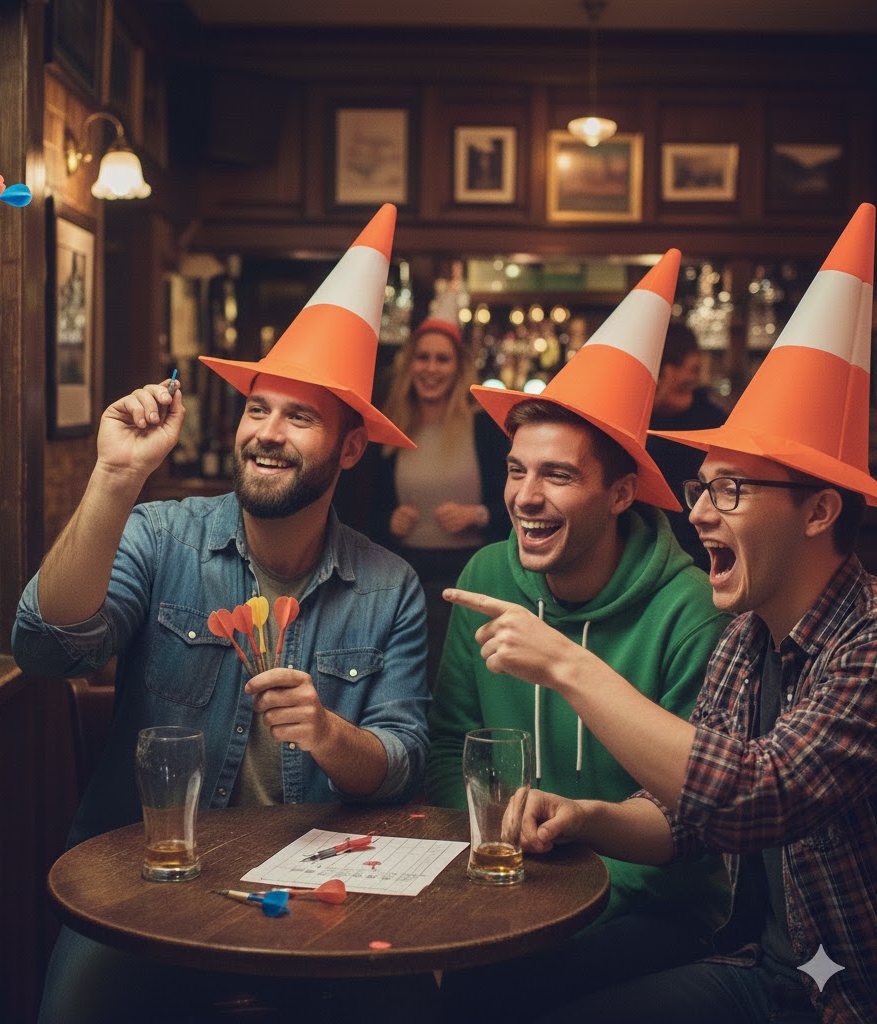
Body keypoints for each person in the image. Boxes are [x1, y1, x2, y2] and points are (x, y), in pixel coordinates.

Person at [449, 203, 877, 1023]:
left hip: (839, 999)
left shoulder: (867, 647)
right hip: (758, 964)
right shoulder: (747, 640)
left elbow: (755, 793)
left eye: (732, 490)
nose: (701, 513)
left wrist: (565, 664)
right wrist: (588, 818)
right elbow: (689, 819)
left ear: (820, 511)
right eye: (702, 488)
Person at [13, 204, 433, 1023]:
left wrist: (328, 733)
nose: (267, 434)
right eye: (257, 408)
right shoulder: (161, 536)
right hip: (148, 881)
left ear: (351, 448)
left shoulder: (390, 589)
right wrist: (115, 478)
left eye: (300, 417)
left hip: (321, 896)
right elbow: (46, 648)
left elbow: (405, 761)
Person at [428, 250, 731, 1016]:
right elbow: (445, 747)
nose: (525, 498)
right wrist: (498, 847)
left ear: (622, 493)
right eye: (516, 470)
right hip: (510, 883)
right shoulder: (487, 577)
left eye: (557, 475)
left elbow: (698, 819)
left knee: (501, 992)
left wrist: (557, 889)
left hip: (656, 907)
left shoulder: (689, 609)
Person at [363, 297, 510, 687]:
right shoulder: (388, 427)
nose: (431, 368)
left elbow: (516, 505)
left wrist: (478, 514)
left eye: (442, 359)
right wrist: (389, 521)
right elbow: (363, 511)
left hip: (471, 577)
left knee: (464, 683)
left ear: (458, 368)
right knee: (409, 680)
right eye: (422, 357)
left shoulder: (484, 427)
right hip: (404, 578)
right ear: (409, 364)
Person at [646, 319, 726, 571]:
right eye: (690, 368)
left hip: (699, 558)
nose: (693, 377)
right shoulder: (627, 422)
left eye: (696, 370)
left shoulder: (712, 423)